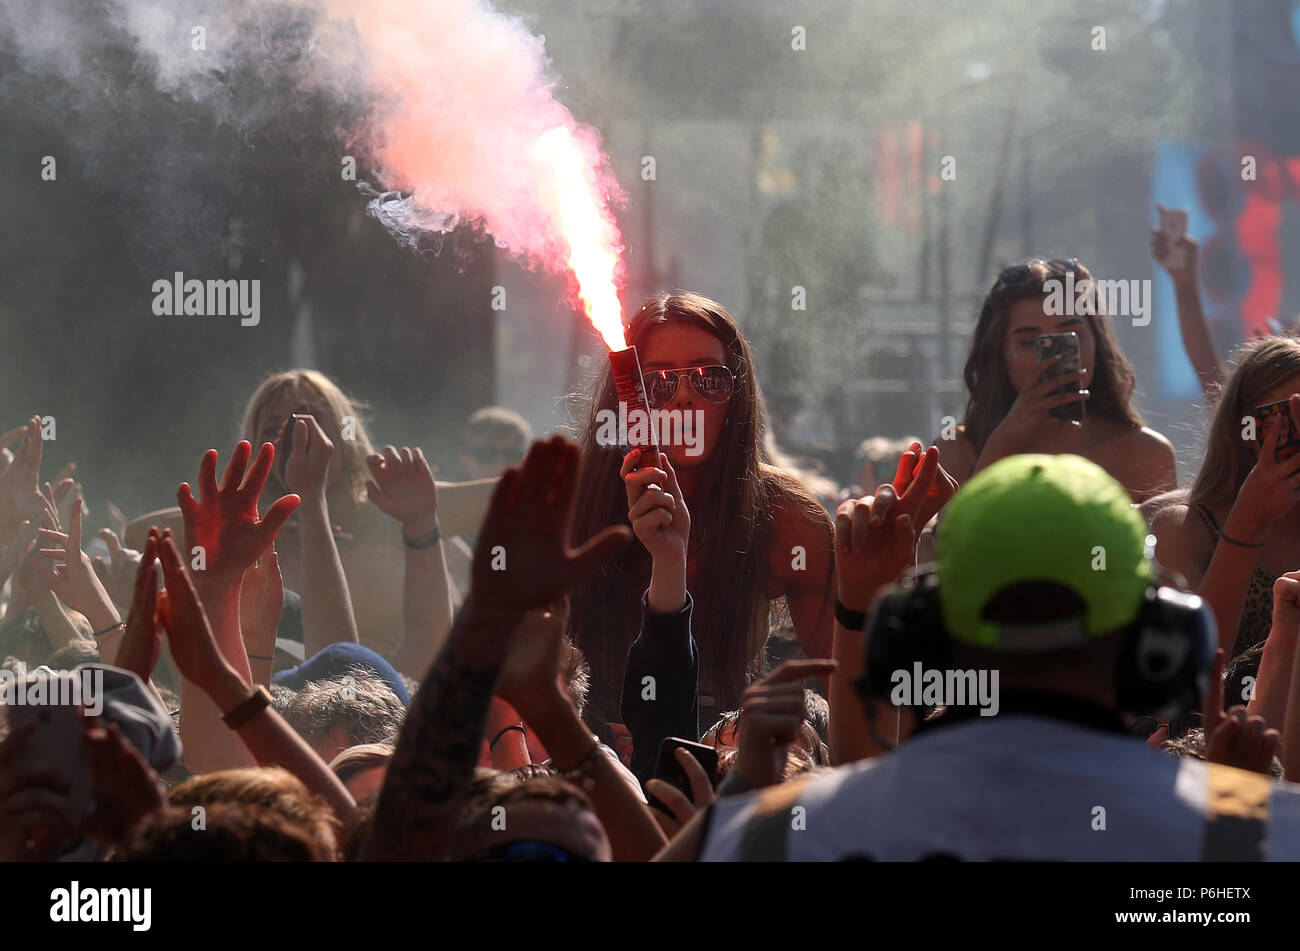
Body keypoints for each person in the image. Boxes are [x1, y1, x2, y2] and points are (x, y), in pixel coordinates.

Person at [659, 453, 1300, 861]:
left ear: (920, 637)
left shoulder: (779, 837)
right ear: (1158, 637)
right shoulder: (1256, 838)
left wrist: (740, 797)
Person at [566, 292, 844, 733]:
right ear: (627, 397)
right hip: (592, 769)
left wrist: (876, 587)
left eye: (709, 379)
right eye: (658, 381)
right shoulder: (576, 508)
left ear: (738, 395)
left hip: (726, 772)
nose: (683, 399)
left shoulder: (783, 516)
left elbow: (848, 692)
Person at [942, 258, 1177, 502]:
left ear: (1097, 345)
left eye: (1070, 337)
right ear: (999, 354)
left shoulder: (1146, 453)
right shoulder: (960, 449)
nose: (1053, 358)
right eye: (1031, 342)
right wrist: (1001, 447)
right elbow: (946, 538)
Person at [1147, 335, 1300, 658]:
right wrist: (1246, 526)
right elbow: (1191, 670)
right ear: (1244, 430)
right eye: (1287, 417)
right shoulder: (1183, 528)